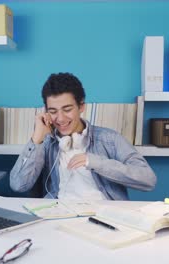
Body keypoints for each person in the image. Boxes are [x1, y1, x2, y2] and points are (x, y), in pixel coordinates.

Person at [9, 72, 156, 200]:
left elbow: (148, 179)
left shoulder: (110, 139)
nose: (60, 119)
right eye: (53, 111)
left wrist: (95, 162)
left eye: (67, 109)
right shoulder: (46, 143)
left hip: (103, 215)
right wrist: (36, 139)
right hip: (58, 214)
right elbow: (18, 185)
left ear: (81, 107)